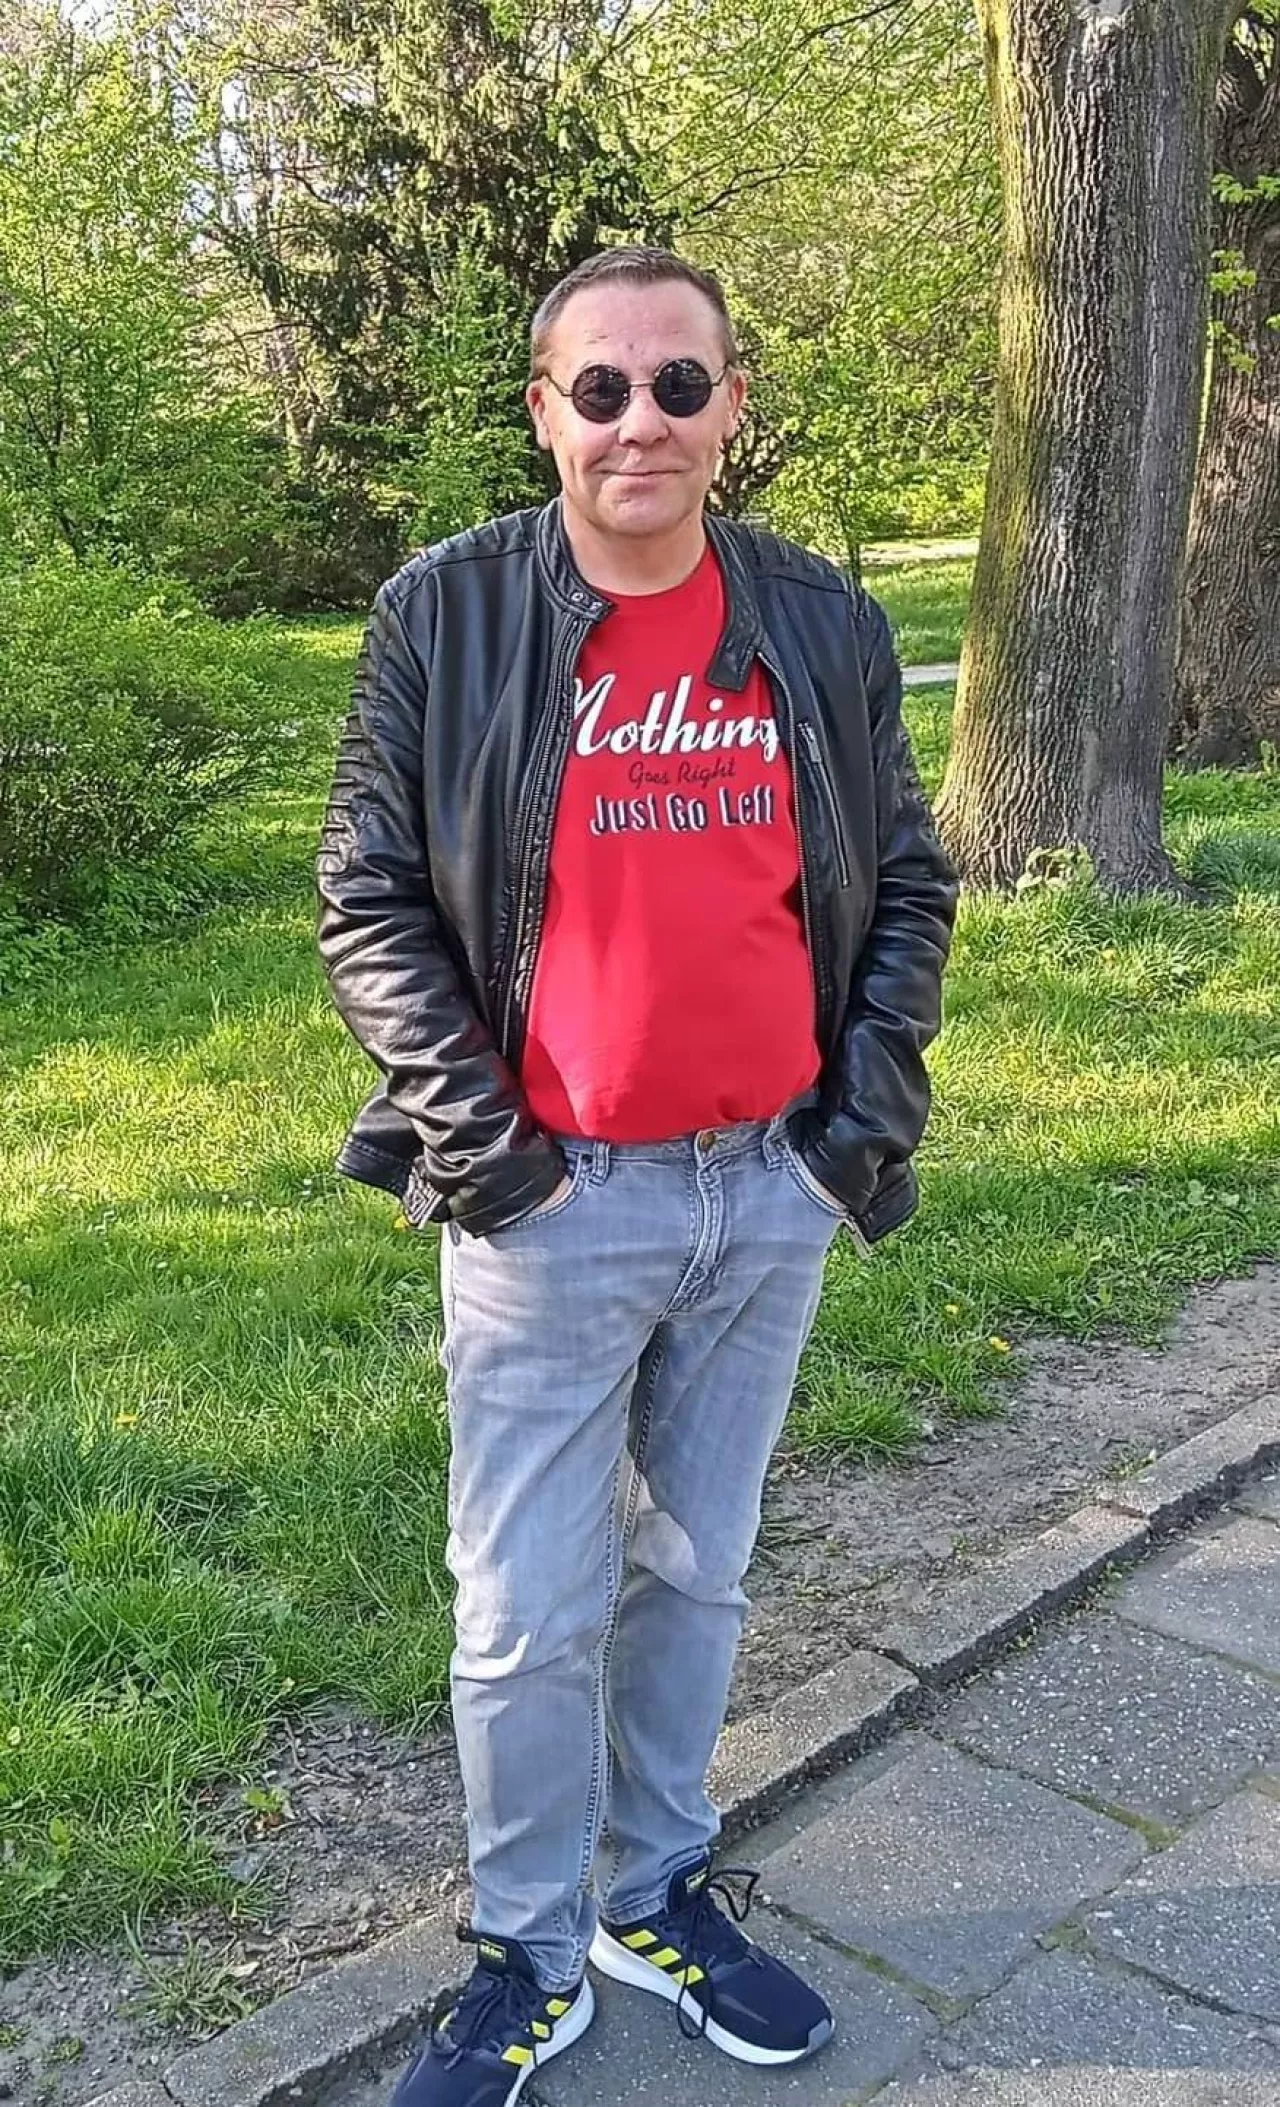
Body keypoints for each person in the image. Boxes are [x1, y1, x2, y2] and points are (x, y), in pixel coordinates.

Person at [316, 244, 958, 2107]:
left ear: (732, 404)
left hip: (769, 1189)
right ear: (545, 411)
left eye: (680, 383)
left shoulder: (819, 619)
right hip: (550, 1204)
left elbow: (908, 882)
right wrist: (495, 1162)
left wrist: (850, 1139)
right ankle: (526, 1949)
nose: (641, 423)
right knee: (525, 1606)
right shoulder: (447, 612)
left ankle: (656, 1887)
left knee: (697, 1570)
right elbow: (366, 894)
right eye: (600, 387)